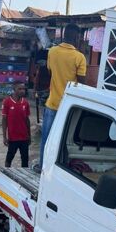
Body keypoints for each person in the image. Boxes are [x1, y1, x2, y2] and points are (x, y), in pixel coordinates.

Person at [37, 23, 86, 171]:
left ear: (64, 35)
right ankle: (59, 169)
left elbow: (51, 71)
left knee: (46, 139)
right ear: (77, 38)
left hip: (52, 104)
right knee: (64, 141)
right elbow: (81, 83)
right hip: (69, 108)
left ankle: (42, 167)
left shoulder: (52, 52)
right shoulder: (79, 57)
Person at [2, 82, 31, 168]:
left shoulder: (25, 103)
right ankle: (6, 173)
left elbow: (27, 120)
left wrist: (29, 135)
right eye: (20, 89)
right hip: (13, 138)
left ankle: (24, 176)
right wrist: (4, 136)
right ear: (14, 89)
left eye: (24, 89)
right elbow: (4, 120)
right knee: (9, 158)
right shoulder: (7, 102)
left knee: (25, 159)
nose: (22, 91)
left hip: (24, 137)